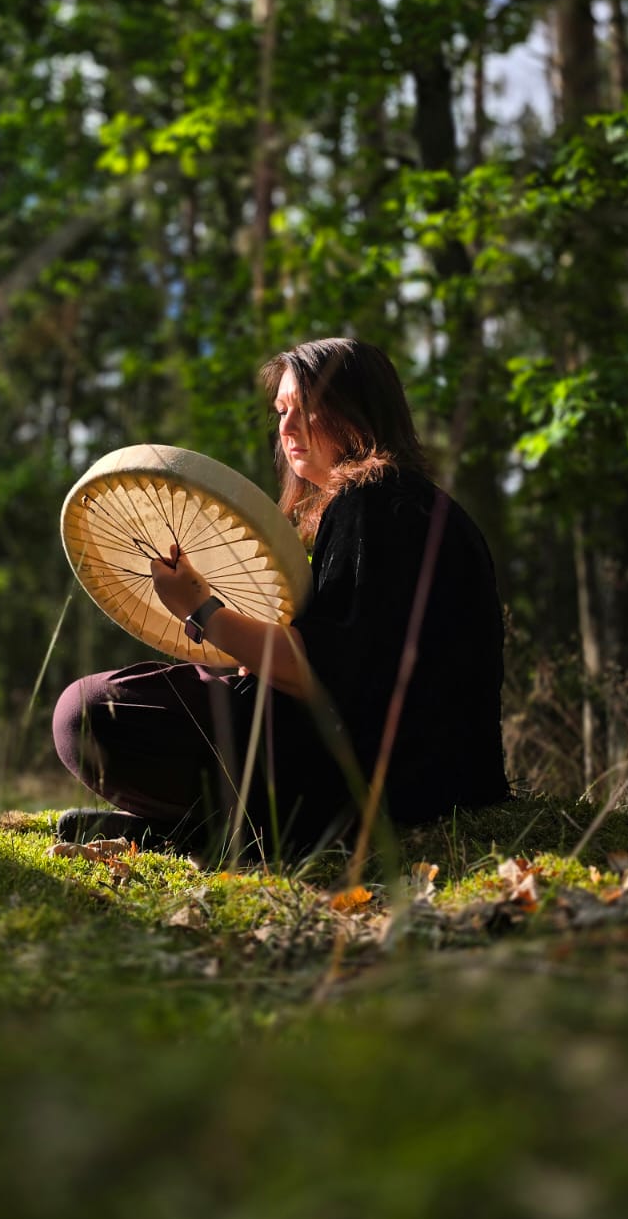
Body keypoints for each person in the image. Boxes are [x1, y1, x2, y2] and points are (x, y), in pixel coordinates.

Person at [51, 338, 509, 862]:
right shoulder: (409, 504)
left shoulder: (375, 503)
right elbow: (358, 657)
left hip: (395, 785)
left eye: (303, 409)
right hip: (441, 777)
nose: (286, 428)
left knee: (90, 713)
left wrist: (201, 610)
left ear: (356, 409)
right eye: (281, 411)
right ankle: (197, 830)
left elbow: (322, 674)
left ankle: (210, 832)